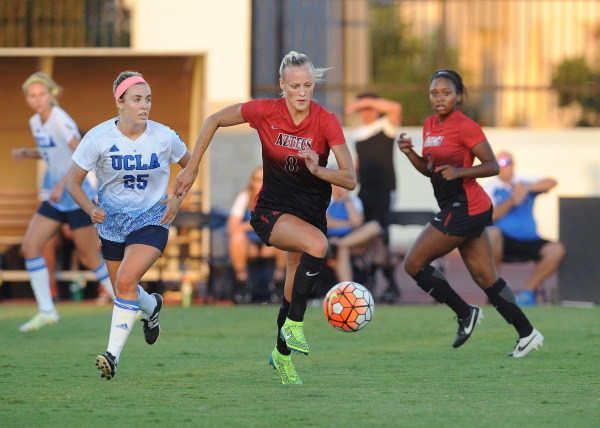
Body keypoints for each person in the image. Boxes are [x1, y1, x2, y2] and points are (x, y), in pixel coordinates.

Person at [172, 51, 356, 384]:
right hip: (271, 211)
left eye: (309, 86)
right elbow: (213, 119)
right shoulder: (264, 111)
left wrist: (318, 169)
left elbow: (349, 178)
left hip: (311, 212)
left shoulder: (326, 120)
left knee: (293, 276)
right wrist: (192, 166)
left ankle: (281, 356)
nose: (302, 93)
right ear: (282, 85)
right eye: (295, 86)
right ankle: (296, 325)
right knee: (318, 245)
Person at [396, 69, 544, 358]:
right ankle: (528, 333)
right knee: (486, 278)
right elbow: (430, 170)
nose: (439, 98)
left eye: (446, 93)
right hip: (460, 207)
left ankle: (465, 313)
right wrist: (410, 153)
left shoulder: (465, 126)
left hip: (465, 207)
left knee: (413, 264)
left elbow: (492, 165)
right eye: (434, 93)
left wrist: (461, 171)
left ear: (459, 96)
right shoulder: (429, 124)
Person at [67, 71, 191, 380]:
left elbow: (191, 165)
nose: (144, 106)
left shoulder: (164, 136)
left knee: (124, 279)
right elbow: (73, 183)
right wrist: (89, 208)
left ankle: (112, 356)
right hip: (111, 223)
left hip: (152, 218)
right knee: (123, 287)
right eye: (137, 99)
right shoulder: (98, 137)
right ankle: (151, 308)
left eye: (147, 99)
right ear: (119, 102)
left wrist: (176, 198)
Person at [13, 72, 116, 333]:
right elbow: (54, 153)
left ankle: (127, 301)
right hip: (57, 197)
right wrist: (29, 153)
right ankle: (47, 311)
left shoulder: (59, 119)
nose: (37, 99)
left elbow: (80, 151)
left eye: (41, 94)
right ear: (28, 98)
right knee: (30, 247)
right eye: (32, 95)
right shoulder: (36, 121)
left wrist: (61, 185)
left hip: (75, 193)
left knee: (90, 257)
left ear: (51, 95)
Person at [483, 151, 565, 306]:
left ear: (512, 165)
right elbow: (489, 217)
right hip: (503, 241)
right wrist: (512, 200)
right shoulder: (489, 187)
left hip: (529, 239)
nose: (501, 167)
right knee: (491, 233)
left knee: (556, 249)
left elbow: (552, 182)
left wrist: (527, 188)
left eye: (504, 163)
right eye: (497, 163)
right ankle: (498, 289)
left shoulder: (523, 181)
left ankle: (527, 293)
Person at [345, 92, 402, 302]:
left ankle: (377, 280)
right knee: (368, 234)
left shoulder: (385, 126)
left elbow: (395, 107)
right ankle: (385, 283)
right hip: (365, 191)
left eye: (369, 107)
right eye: (363, 108)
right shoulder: (359, 134)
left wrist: (365, 101)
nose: (366, 112)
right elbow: (359, 163)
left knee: (379, 233)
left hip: (384, 190)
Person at [227, 166, 286, 303]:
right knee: (236, 237)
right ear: (251, 182)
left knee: (284, 237)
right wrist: (257, 222)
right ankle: (242, 282)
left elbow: (282, 224)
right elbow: (231, 227)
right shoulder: (245, 197)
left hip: (271, 244)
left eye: (264, 179)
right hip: (250, 244)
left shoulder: (278, 197)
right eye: (257, 179)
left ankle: (279, 281)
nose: (261, 183)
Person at [327, 183, 382, 283]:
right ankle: (348, 289)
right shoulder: (326, 200)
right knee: (342, 249)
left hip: (350, 238)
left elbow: (357, 222)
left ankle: (337, 244)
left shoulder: (354, 201)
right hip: (330, 237)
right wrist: (349, 223)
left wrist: (345, 198)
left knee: (374, 226)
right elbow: (327, 222)